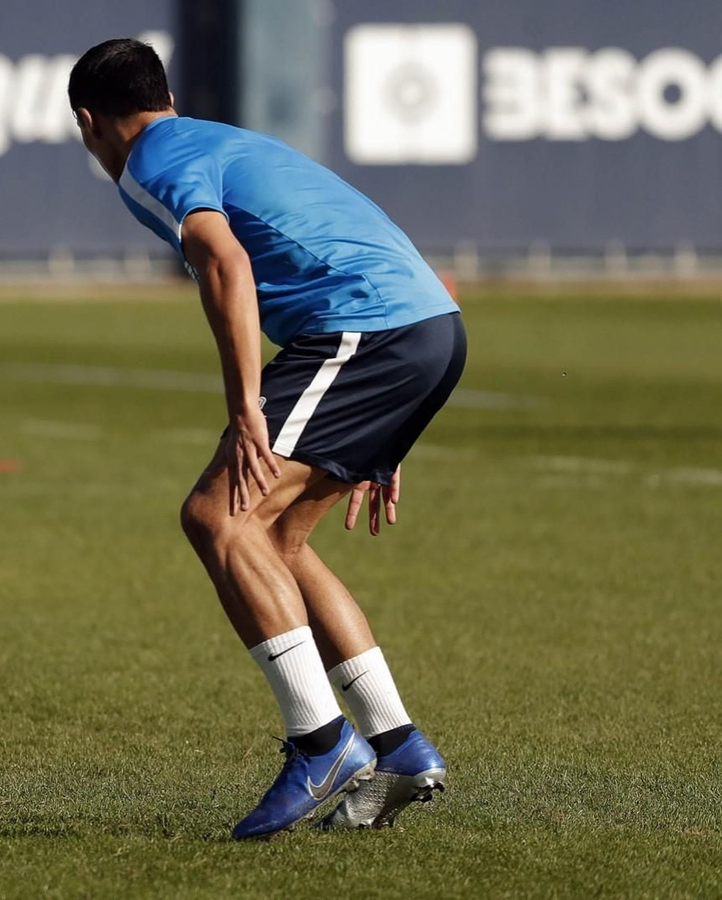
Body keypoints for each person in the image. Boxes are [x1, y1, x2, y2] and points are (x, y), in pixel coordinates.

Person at [67, 39, 464, 839]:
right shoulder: (222, 138)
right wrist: (389, 423)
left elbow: (224, 262)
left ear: (90, 123)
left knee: (216, 517)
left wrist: (246, 404)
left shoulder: (151, 159)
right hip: (425, 326)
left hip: (364, 328)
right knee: (277, 538)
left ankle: (321, 743)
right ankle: (400, 744)